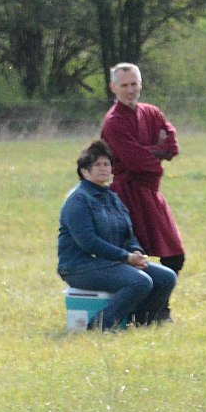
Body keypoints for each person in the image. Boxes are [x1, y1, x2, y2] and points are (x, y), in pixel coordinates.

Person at [58, 140, 177, 329]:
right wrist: (126, 257)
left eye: (106, 164)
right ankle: (101, 325)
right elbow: (88, 242)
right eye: (97, 164)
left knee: (167, 277)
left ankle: (138, 324)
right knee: (140, 281)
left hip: (112, 262)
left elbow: (128, 233)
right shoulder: (78, 200)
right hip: (80, 266)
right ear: (84, 171)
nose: (103, 168)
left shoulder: (113, 198)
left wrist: (136, 251)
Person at [100, 63, 186, 275]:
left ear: (140, 84)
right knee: (135, 256)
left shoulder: (152, 112)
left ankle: (159, 306)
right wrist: (158, 151)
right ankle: (142, 305)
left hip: (151, 193)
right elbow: (136, 163)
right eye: (124, 85)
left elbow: (173, 147)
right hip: (127, 195)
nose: (130, 90)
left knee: (174, 255)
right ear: (114, 87)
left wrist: (147, 151)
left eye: (134, 84)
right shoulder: (114, 122)